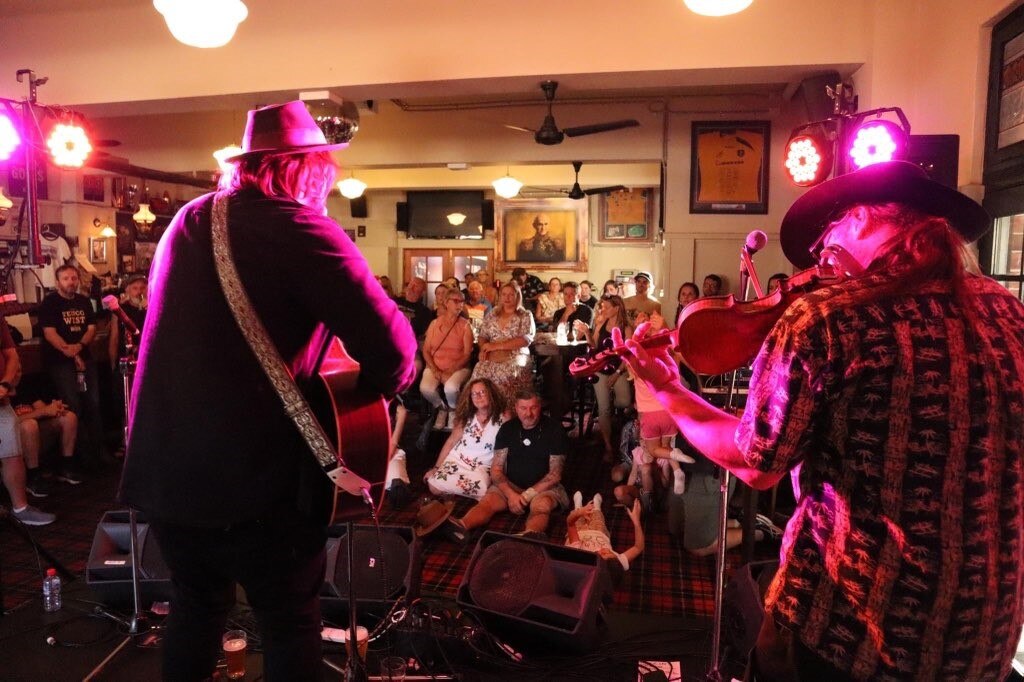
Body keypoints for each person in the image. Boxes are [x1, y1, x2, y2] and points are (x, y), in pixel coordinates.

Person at [614, 160, 1024, 681]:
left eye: (835, 226)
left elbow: (755, 462)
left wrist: (669, 387)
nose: (821, 251)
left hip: (849, 630)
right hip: (980, 639)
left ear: (873, 218)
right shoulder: (1007, 309)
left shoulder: (827, 318)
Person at [119, 101, 417, 682]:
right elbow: (396, 350)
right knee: (287, 621)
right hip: (258, 482)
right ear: (308, 170)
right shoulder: (300, 226)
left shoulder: (187, 221)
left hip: (167, 472)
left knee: (195, 609)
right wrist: (360, 403)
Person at [442, 390, 569, 542]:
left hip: (544, 488)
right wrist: (511, 495)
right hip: (511, 485)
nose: (528, 413)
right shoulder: (508, 429)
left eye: (533, 408)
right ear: (516, 407)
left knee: (541, 506)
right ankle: (462, 526)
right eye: (523, 408)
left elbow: (555, 475)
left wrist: (527, 495)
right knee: (487, 502)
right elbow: (496, 470)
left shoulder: (555, 429)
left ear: (540, 406)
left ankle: (530, 537)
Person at [38, 263, 104, 470]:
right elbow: (49, 333)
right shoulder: (50, 303)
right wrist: (69, 350)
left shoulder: (84, 301)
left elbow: (92, 328)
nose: (71, 282)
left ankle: (98, 452)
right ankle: (77, 456)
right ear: (57, 282)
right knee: (72, 406)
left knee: (93, 403)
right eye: (66, 278)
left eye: (74, 278)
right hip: (60, 362)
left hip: (84, 358)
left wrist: (80, 346)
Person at [0, 318, 57, 526]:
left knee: (13, 454)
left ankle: (21, 508)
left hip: (2, 398)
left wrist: (5, 384)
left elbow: (12, 355)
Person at [423, 378, 506, 500]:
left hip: (482, 467)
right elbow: (451, 442)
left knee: (482, 486)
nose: (478, 396)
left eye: (482, 392)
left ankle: (453, 491)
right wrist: (436, 468)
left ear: (491, 393)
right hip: (458, 460)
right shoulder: (467, 417)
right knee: (433, 486)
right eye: (474, 394)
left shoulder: (504, 417)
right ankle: (460, 491)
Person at [470, 283, 536, 407]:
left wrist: (496, 346)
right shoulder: (493, 314)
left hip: (515, 355)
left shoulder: (525, 315)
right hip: (491, 355)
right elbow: (483, 335)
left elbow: (526, 340)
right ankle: (484, 410)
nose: (507, 298)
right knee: (479, 372)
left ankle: (506, 411)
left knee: (507, 374)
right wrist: (483, 349)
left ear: (517, 296)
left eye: (511, 294)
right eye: (504, 294)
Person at [586, 294, 633, 461]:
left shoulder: (626, 328)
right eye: (602, 306)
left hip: (619, 368)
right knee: (604, 409)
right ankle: (608, 446)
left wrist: (618, 373)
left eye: (606, 307)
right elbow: (593, 346)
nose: (602, 309)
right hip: (600, 369)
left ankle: (619, 418)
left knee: (625, 402)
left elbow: (628, 355)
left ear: (616, 308)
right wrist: (588, 332)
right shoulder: (601, 323)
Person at [420, 288, 474, 430]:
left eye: (462, 301)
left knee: (450, 388)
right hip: (435, 365)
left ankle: (453, 409)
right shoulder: (434, 324)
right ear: (446, 303)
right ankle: (442, 407)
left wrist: (450, 370)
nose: (460, 304)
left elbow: (467, 354)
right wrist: (434, 369)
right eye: (456, 301)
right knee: (425, 388)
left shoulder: (465, 326)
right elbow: (426, 350)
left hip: (458, 367)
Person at [565, 494, 643, 584]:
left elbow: (570, 523)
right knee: (597, 516)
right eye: (609, 552)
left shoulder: (580, 555)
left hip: (578, 533)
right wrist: (637, 522)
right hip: (599, 532)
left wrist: (579, 512)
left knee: (578, 517)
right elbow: (638, 547)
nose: (604, 550)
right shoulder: (616, 563)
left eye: (601, 554)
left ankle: (577, 505)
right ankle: (597, 505)